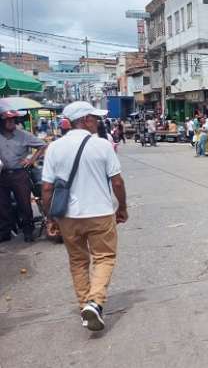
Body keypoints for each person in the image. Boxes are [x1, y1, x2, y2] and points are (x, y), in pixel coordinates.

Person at [41, 101, 128, 332]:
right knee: (104, 257)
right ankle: (95, 302)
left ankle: (85, 306)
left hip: (68, 216)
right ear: (86, 120)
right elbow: (117, 181)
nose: (98, 122)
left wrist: (50, 218)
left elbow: (47, 188)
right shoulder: (102, 145)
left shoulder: (54, 148)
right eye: (95, 118)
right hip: (100, 213)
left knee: (78, 261)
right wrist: (123, 208)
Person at [0, 110, 47, 242]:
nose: (10, 122)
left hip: (19, 174)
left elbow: (42, 146)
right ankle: (5, 232)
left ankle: (28, 231)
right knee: (3, 204)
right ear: (2, 121)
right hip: (2, 174)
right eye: (7, 120)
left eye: (13, 120)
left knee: (24, 204)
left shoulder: (23, 135)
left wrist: (31, 160)